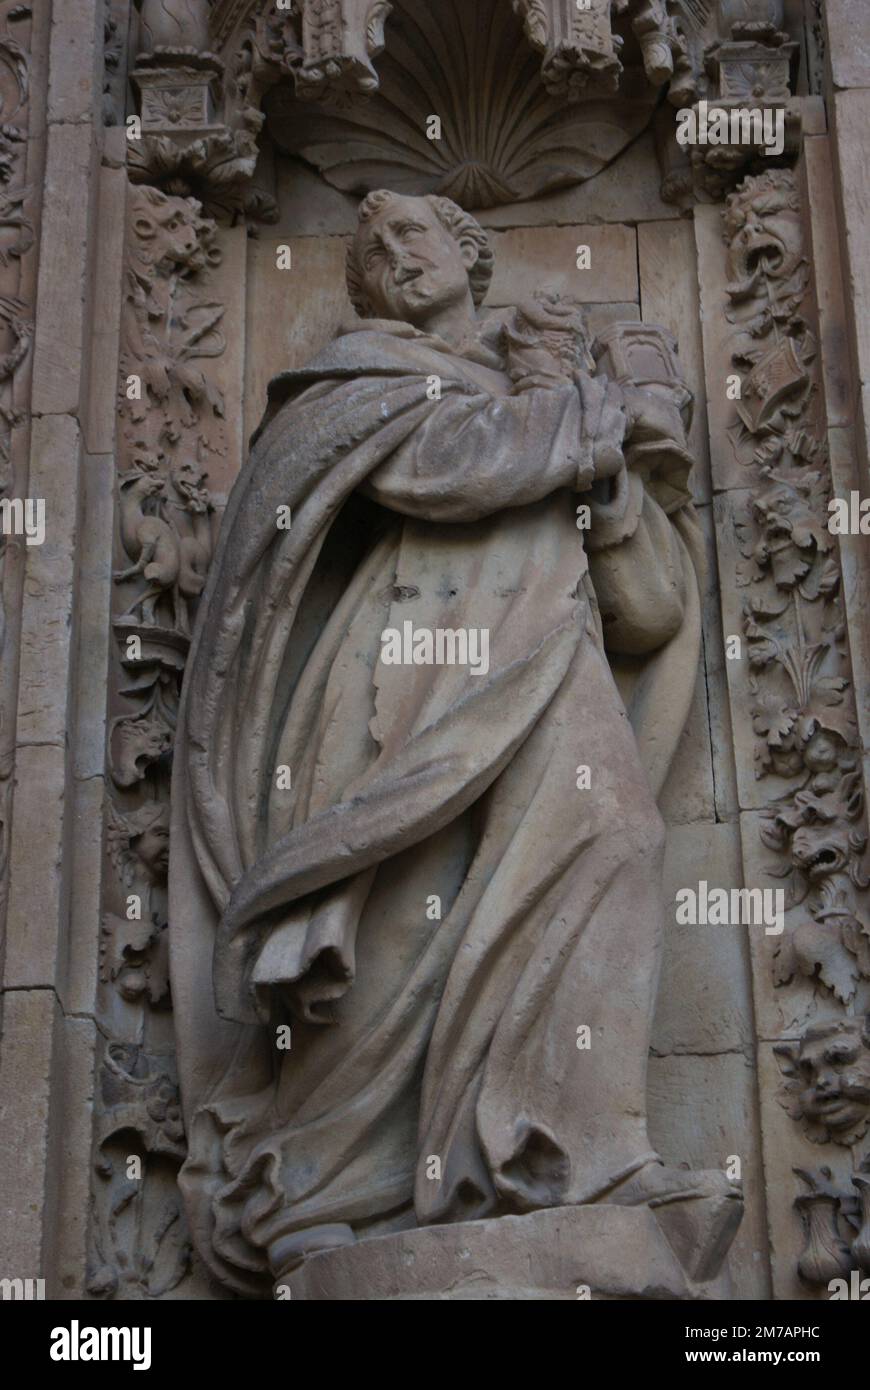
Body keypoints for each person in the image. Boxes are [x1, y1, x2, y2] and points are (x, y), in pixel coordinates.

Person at [169, 189, 739, 1295]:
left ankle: (575, 1153)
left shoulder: (543, 396)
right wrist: (583, 411)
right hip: (415, 672)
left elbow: (652, 611)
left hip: (551, 665)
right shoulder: (362, 386)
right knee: (399, 915)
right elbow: (447, 466)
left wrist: (608, 450)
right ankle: (325, 1190)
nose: (393, 256)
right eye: (372, 251)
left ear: (469, 253)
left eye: (413, 235)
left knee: (618, 839)